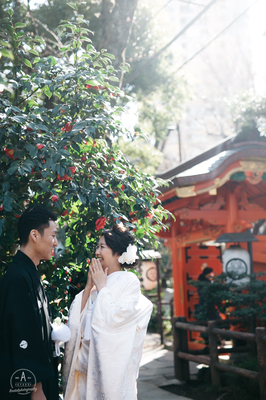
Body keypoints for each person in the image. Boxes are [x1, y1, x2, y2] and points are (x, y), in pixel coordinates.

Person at [63, 224, 153, 400]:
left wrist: (102, 287)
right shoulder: (95, 284)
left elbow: (115, 322)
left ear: (118, 254)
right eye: (97, 246)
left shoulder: (129, 281)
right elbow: (76, 322)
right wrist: (90, 286)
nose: (97, 252)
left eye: (102, 247)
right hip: (84, 371)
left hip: (108, 373)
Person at [0, 206, 59, 400]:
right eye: (53, 235)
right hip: (28, 389)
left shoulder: (29, 273)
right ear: (34, 235)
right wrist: (36, 388)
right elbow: (22, 336)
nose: (56, 243)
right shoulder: (17, 277)